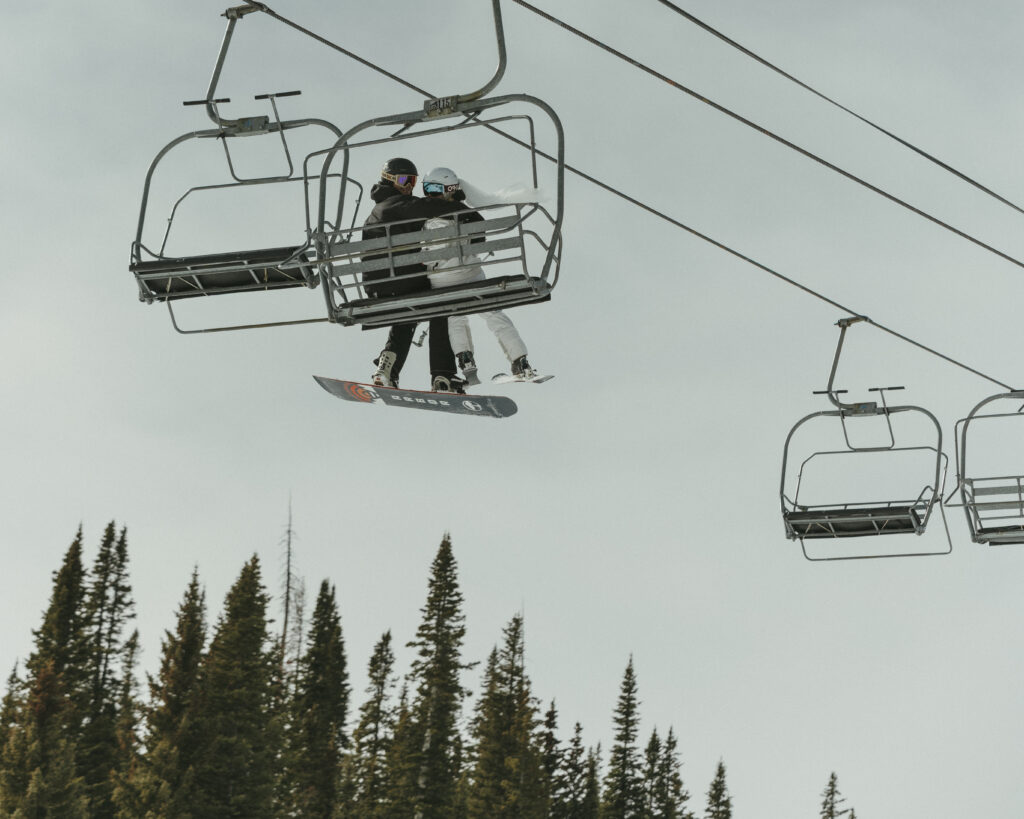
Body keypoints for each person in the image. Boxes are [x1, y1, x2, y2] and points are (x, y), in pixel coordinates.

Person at [361, 158, 482, 393]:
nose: (408, 186)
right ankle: (443, 375)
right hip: (400, 281)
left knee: (408, 315)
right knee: (442, 306)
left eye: (412, 181)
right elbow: (435, 208)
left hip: (380, 285)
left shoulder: (379, 210)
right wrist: (468, 213)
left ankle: (386, 370)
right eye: (404, 180)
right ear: (389, 180)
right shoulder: (398, 205)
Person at [420, 167, 536, 383]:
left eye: (434, 188)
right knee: (493, 314)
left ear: (449, 188)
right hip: (471, 275)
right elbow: (480, 240)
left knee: (454, 317)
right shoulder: (465, 213)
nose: (431, 194)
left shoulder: (420, 213)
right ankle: (520, 360)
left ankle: (466, 360)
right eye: (428, 188)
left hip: (440, 280)